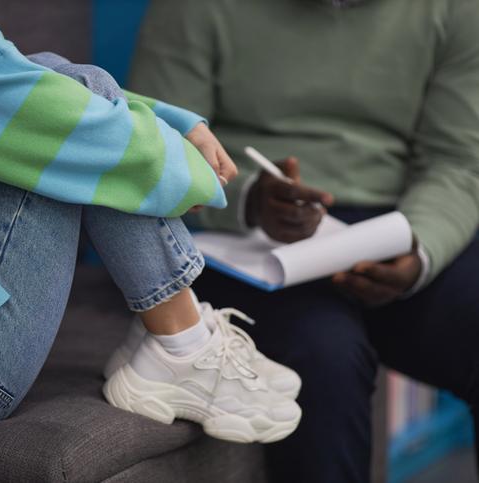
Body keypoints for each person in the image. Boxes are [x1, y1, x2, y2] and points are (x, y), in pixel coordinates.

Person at [0, 0, 303, 445]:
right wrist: (195, 172)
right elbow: (68, 114)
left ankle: (178, 342)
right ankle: (183, 345)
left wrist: (176, 123)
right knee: (76, 117)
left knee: (74, 93)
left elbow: (20, 73)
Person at [129, 0, 479, 481]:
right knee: (323, 357)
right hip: (242, 239)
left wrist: (419, 250)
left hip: (400, 222)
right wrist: (246, 198)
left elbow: (459, 159)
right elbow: (153, 150)